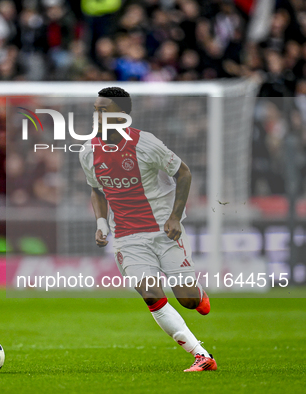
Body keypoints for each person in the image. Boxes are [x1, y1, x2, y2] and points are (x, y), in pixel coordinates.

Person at [78, 87, 216, 372]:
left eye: (104, 109)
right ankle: (202, 356)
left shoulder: (146, 144)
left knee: (188, 300)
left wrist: (176, 217)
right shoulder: (88, 151)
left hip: (165, 231)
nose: (98, 115)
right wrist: (101, 222)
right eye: (96, 109)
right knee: (151, 294)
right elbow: (96, 190)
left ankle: (198, 295)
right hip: (128, 238)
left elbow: (184, 173)